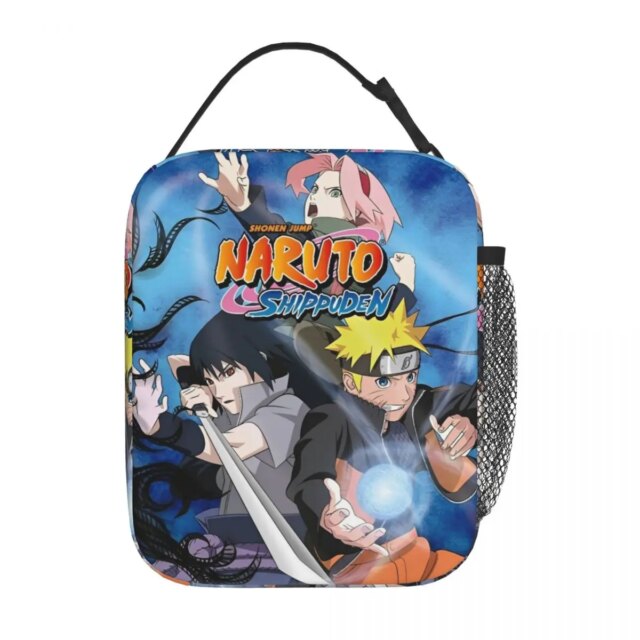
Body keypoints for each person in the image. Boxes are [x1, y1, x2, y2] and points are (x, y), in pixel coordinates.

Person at [286, 301, 478, 585]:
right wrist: (326, 514)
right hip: (350, 563)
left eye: (410, 377)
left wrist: (468, 423)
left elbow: (474, 398)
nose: (403, 394)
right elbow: (310, 477)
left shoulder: (419, 406)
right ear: (351, 382)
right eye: (384, 383)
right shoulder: (333, 419)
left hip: (414, 552)